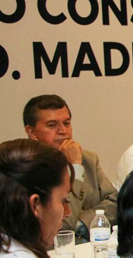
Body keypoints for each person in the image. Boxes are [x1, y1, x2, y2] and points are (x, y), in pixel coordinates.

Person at [24, 95, 117, 243]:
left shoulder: (87, 159)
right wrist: (75, 168)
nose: (63, 131)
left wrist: (82, 223)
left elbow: (115, 203)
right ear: (32, 133)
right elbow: (63, 225)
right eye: (52, 125)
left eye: (67, 123)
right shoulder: (26, 168)